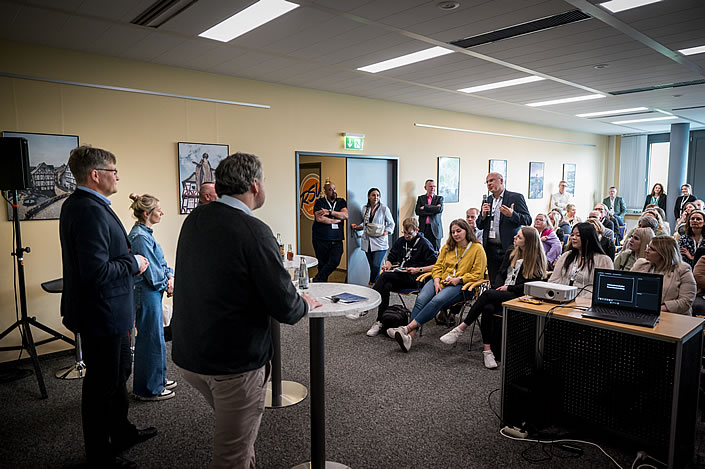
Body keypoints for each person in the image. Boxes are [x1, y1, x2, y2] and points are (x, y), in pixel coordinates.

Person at [172, 153, 321, 467]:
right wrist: (302, 303)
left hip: (190, 355)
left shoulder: (195, 220)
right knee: (232, 455)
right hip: (232, 364)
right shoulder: (254, 230)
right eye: (264, 181)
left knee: (240, 435)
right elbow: (285, 306)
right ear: (255, 184)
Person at [59, 146, 154, 467]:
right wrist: (134, 262)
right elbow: (96, 271)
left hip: (110, 310)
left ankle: (122, 432)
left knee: (118, 374)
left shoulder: (88, 205)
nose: (118, 176)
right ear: (96, 175)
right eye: (113, 171)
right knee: (101, 383)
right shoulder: (87, 210)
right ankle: (100, 454)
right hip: (101, 312)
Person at [440, 226, 547, 368]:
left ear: (529, 242)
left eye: (519, 237)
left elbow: (529, 286)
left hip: (519, 296)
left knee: (488, 295)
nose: (515, 238)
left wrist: (508, 288)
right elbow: (500, 274)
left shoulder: (536, 260)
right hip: (501, 292)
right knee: (488, 307)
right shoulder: (511, 251)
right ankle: (487, 351)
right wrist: (498, 287)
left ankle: (460, 329)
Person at [387, 219, 486, 353]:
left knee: (437, 300)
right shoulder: (447, 247)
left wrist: (459, 279)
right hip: (442, 281)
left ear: (466, 231)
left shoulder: (477, 248)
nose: (455, 234)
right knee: (421, 299)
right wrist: (436, 280)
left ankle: (406, 329)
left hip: (463, 286)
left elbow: (478, 274)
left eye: (458, 231)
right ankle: (409, 337)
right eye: (453, 232)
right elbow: (438, 266)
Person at [127, 193, 176, 401]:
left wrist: (170, 275)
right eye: (158, 210)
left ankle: (158, 380)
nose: (162, 213)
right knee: (149, 340)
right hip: (145, 293)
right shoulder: (140, 237)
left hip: (152, 292)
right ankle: (148, 389)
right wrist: (167, 282)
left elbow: (159, 262)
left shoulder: (146, 233)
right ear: (147, 213)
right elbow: (150, 271)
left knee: (156, 337)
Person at [364, 218, 437, 337]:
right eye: (404, 232)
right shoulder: (401, 241)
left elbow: (436, 266)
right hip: (401, 275)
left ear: (417, 230)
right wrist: (387, 265)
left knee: (384, 277)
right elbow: (391, 258)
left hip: (416, 278)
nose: (406, 236)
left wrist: (418, 269)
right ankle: (380, 321)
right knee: (385, 284)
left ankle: (366, 307)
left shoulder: (424, 243)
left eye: (410, 233)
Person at [479, 172, 532, 283]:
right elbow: (479, 225)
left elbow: (528, 220)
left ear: (501, 181)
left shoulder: (515, 197)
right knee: (494, 281)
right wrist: (483, 215)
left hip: (508, 247)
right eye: (487, 182)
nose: (489, 184)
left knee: (507, 280)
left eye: (492, 180)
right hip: (491, 248)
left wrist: (512, 215)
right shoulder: (488, 200)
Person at [632, 236, 696, 315]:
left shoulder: (683, 270)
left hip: (673, 316)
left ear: (664, 254)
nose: (646, 251)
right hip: (640, 311)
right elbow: (630, 288)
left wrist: (660, 308)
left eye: (651, 249)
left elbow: (686, 301)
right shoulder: (640, 264)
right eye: (648, 247)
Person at [549, 223, 613, 298]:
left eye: (578, 235)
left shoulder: (604, 260)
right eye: (572, 235)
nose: (573, 238)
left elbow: (604, 289)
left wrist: (581, 300)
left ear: (589, 237)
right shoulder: (566, 256)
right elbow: (553, 280)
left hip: (586, 303)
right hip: (562, 299)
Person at [351, 188, 395, 284]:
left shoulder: (384, 208)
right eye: (373, 195)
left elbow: (391, 223)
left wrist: (386, 232)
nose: (376, 197)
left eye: (378, 195)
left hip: (380, 242)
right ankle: (379, 285)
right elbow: (366, 223)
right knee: (372, 266)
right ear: (369, 196)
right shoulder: (365, 209)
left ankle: (371, 283)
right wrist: (358, 226)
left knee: (376, 265)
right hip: (368, 241)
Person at [312, 181, 348, 282]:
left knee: (335, 261)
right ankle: (322, 287)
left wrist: (329, 212)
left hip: (337, 239)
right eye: (330, 190)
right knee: (322, 264)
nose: (333, 191)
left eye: (334, 189)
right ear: (325, 192)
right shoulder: (319, 202)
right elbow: (319, 219)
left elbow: (345, 215)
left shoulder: (341, 202)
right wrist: (335, 219)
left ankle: (317, 280)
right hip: (320, 239)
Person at [415, 179, 444, 250]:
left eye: (434, 186)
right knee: (423, 250)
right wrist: (433, 210)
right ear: (425, 187)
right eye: (430, 186)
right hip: (424, 228)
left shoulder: (439, 198)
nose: (433, 188)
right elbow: (418, 211)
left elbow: (439, 210)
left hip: (435, 229)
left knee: (435, 251)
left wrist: (425, 207)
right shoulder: (421, 198)